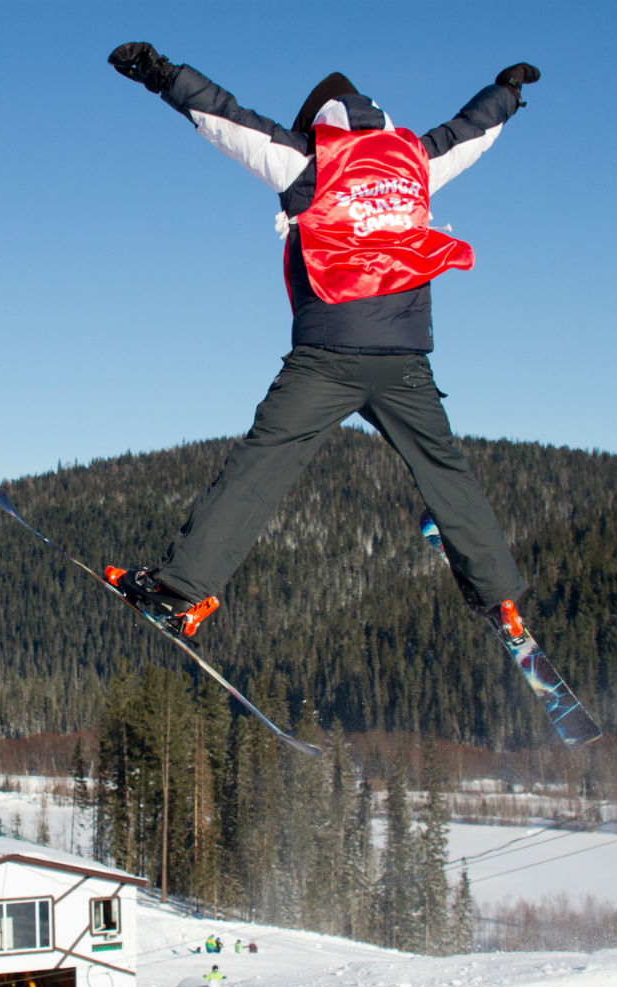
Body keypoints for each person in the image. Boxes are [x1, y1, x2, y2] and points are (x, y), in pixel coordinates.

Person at [105, 43, 542, 642]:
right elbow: (473, 131)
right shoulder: (416, 159)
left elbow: (226, 120)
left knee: (264, 463)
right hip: (405, 358)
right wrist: (510, 91)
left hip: (328, 355)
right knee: (446, 471)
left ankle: (183, 590)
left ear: (317, 122)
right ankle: (502, 599)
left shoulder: (308, 160)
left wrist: (161, 74)